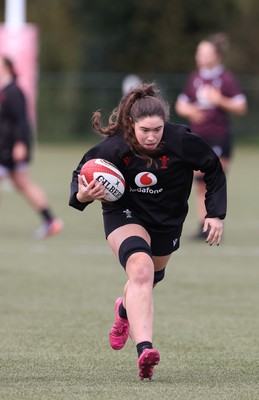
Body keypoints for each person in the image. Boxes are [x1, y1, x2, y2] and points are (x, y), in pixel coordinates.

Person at [69, 82, 227, 380]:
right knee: (140, 271)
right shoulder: (115, 145)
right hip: (125, 214)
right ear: (131, 124)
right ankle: (145, 351)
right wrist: (84, 195)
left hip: (167, 219)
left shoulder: (181, 140)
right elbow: (81, 176)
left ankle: (124, 308)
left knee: (150, 277)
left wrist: (215, 214)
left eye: (157, 129)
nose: (152, 136)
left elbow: (213, 167)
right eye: (145, 130)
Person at [175, 33, 247, 239]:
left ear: (217, 55)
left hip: (219, 137)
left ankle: (214, 225)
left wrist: (219, 99)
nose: (199, 56)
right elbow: (181, 104)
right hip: (198, 138)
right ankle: (203, 226)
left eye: (204, 52)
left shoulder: (226, 79)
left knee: (213, 180)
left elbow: (241, 106)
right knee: (200, 183)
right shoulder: (195, 77)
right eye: (198, 52)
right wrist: (189, 111)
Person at [0, 55, 63, 239]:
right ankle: (51, 221)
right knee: (22, 183)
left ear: (7, 68)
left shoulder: (13, 91)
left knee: (21, 182)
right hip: (6, 146)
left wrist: (20, 144)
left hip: (9, 147)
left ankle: (51, 221)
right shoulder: (5, 90)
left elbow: (21, 121)